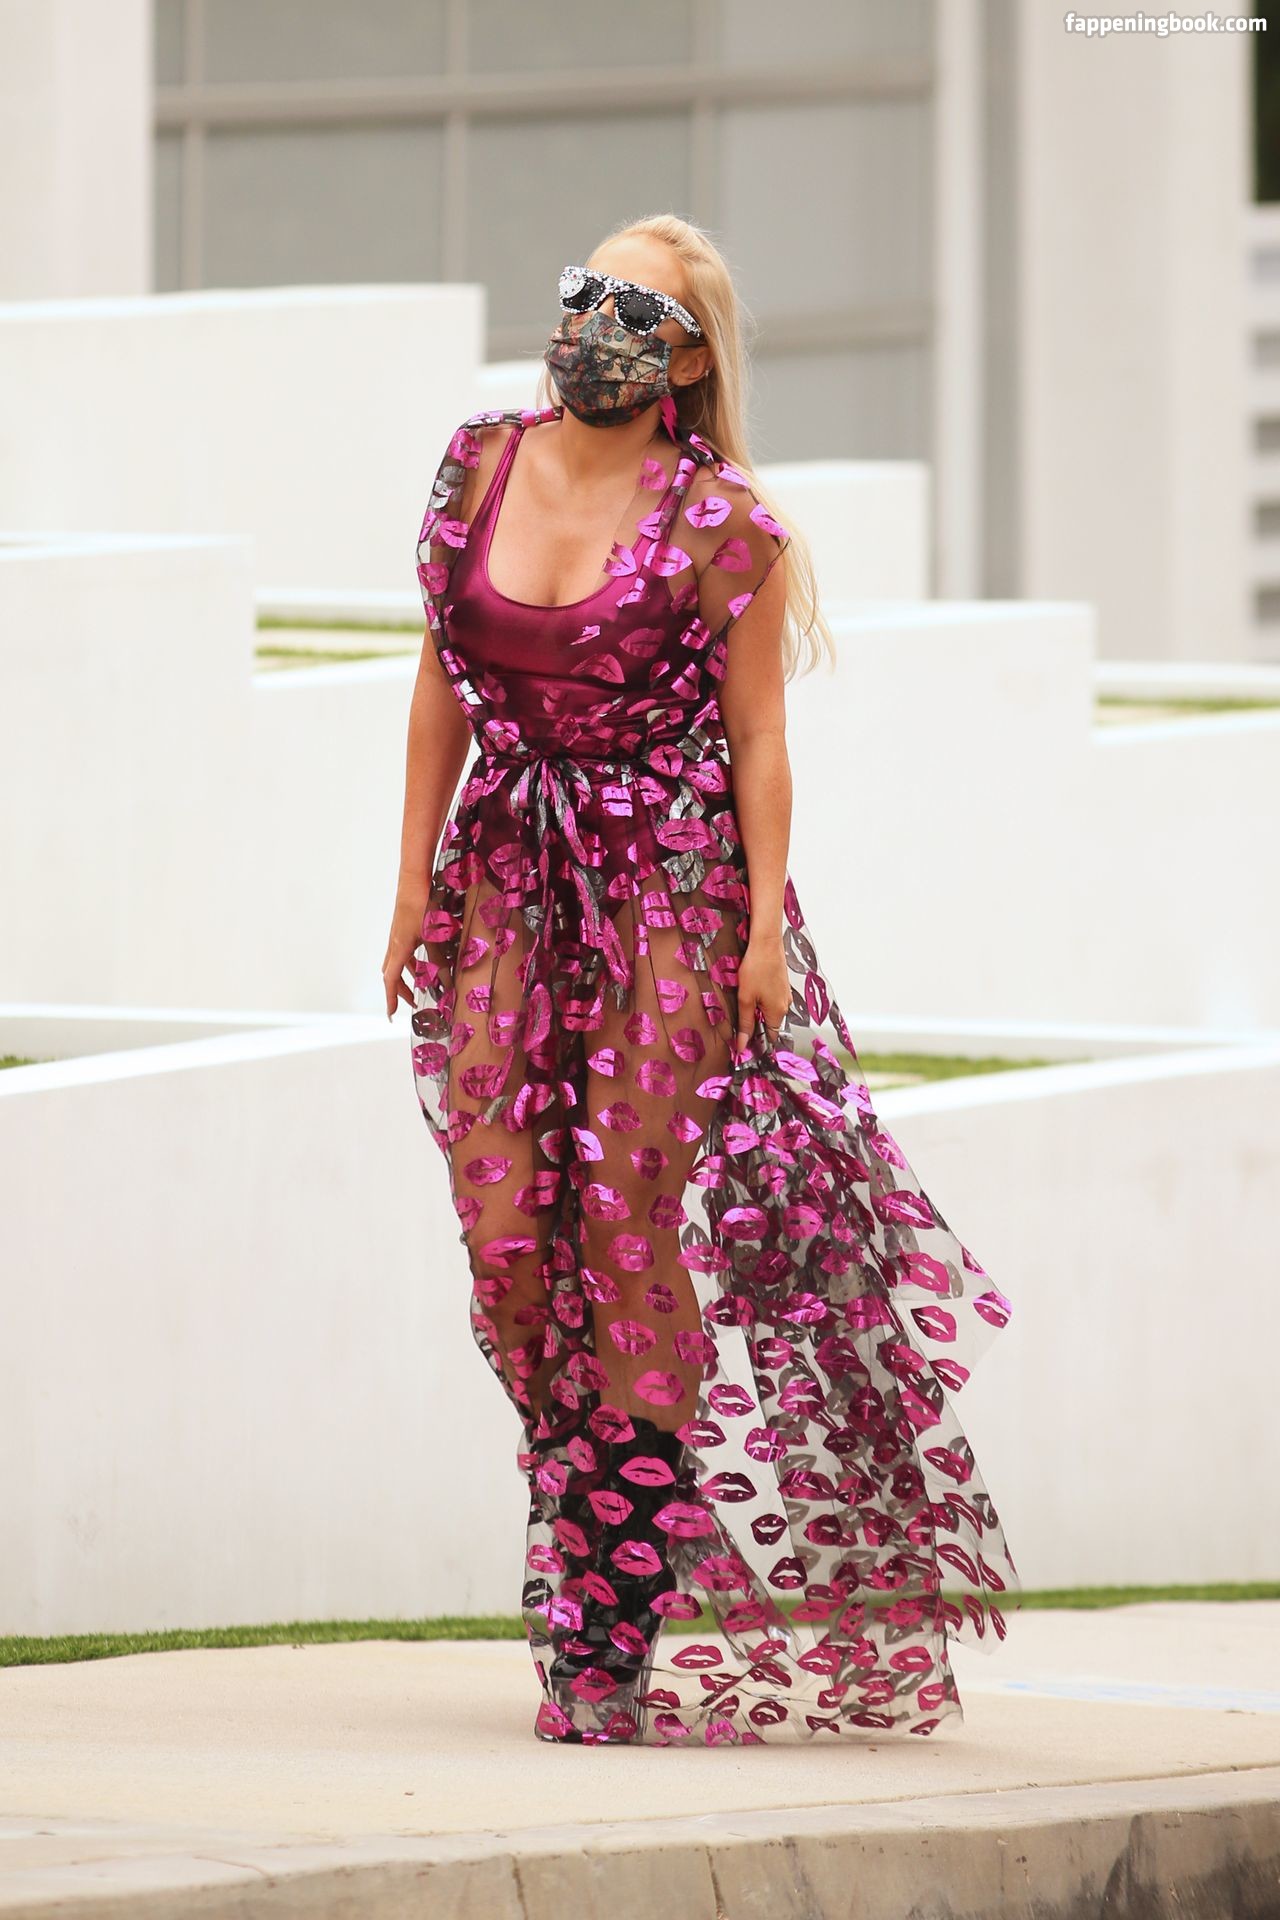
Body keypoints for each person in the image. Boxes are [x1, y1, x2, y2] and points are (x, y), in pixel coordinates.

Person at [383, 213, 1020, 1748]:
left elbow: (758, 741)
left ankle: (603, 1615)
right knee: (510, 1240)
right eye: (581, 289)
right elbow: (438, 682)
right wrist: (408, 882)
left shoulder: (725, 522)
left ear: (682, 357)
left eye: (631, 307)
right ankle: (585, 1503)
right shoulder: (477, 466)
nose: (591, 322)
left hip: (669, 890)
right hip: (507, 874)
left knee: (624, 1229)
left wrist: (759, 935)